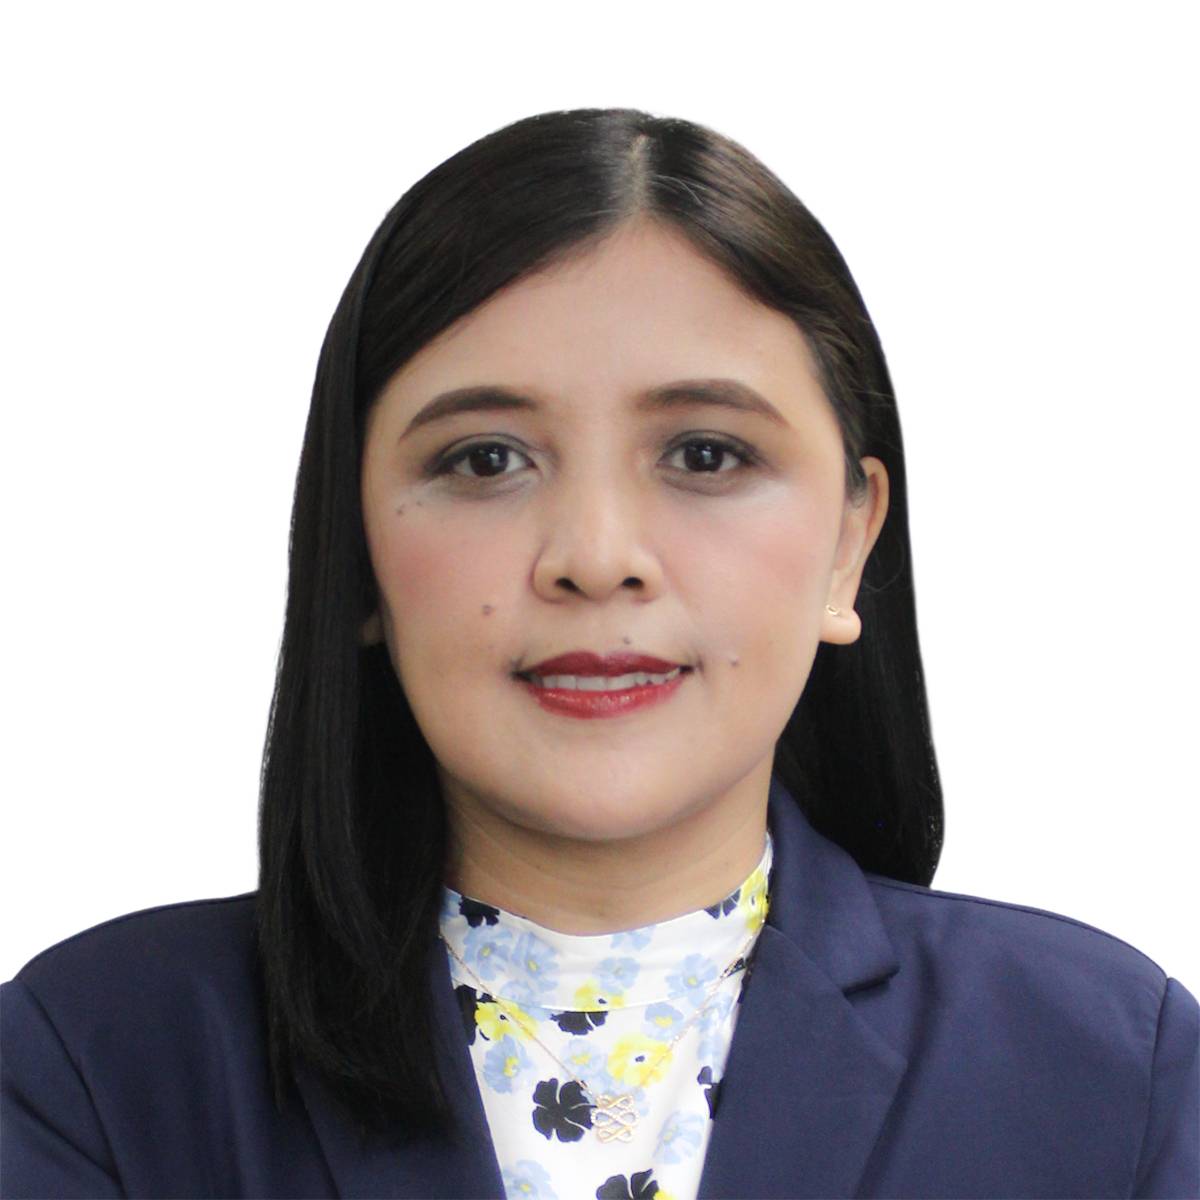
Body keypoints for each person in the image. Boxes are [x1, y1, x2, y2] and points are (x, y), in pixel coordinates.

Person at [1, 107, 1196, 1200]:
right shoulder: (94, 1065)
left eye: (706, 455)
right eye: (485, 460)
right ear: (353, 551)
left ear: (848, 547)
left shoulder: (1108, 1070)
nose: (596, 557)